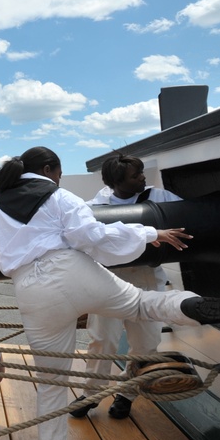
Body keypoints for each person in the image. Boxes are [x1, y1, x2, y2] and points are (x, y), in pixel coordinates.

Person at [0, 146, 220, 440]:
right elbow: (91, 238)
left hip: (32, 290)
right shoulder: (60, 197)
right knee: (142, 304)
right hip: (72, 270)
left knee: (51, 382)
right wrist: (149, 234)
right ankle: (193, 306)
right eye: (59, 172)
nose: (59, 178)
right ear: (49, 169)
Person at [70, 154, 181, 420]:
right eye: (136, 175)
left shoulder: (161, 197)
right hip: (109, 279)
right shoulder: (94, 206)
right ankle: (91, 394)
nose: (143, 177)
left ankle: (127, 393)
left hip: (146, 276)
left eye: (141, 172)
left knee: (146, 342)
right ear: (115, 182)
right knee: (102, 340)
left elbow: (192, 214)